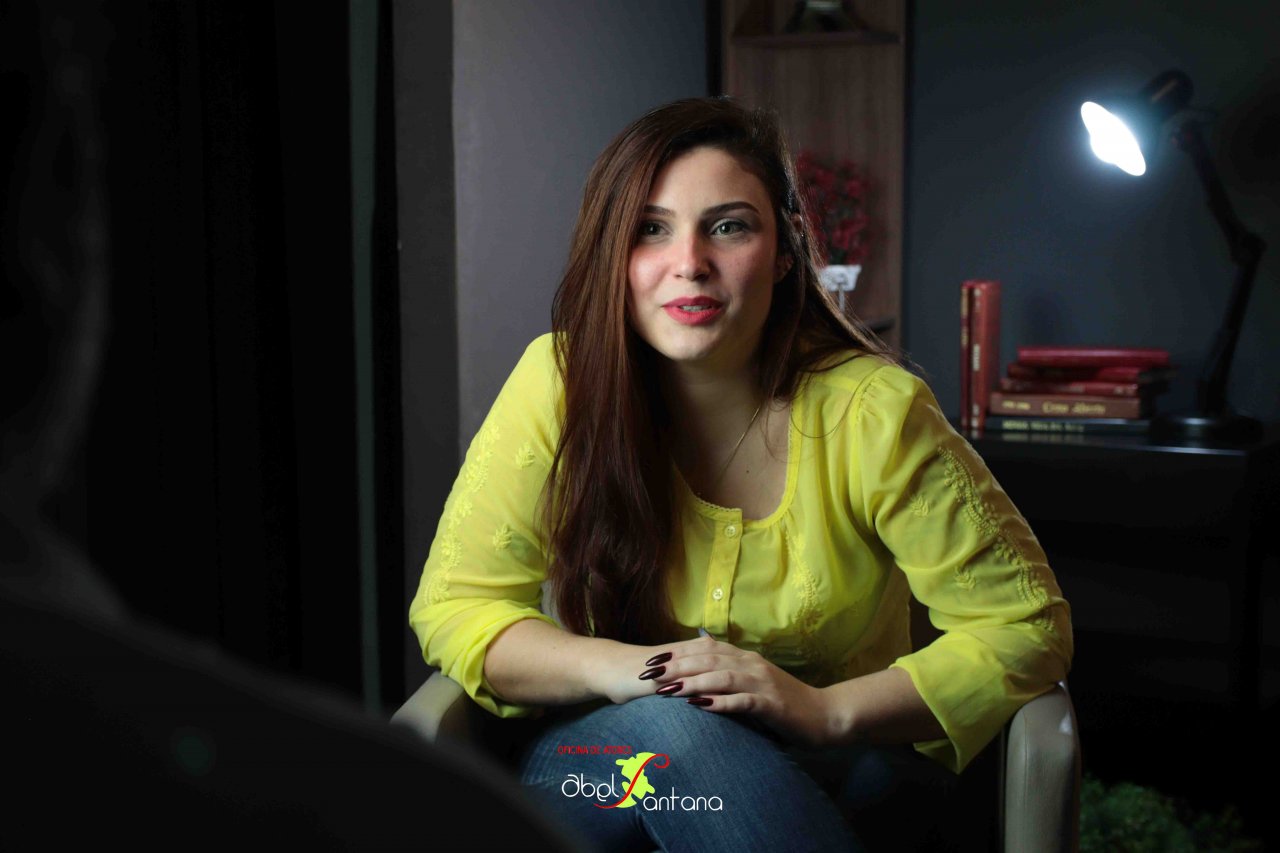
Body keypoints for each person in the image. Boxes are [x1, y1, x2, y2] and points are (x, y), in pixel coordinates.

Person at [409, 96, 1073, 852]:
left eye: (728, 227)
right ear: (612, 253)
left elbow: (1024, 627)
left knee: (874, 789)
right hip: (605, 766)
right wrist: (644, 673)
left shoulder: (876, 413)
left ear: (785, 251)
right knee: (673, 733)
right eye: (650, 229)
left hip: (835, 765)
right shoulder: (558, 382)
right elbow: (459, 605)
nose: (689, 262)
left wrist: (824, 711)